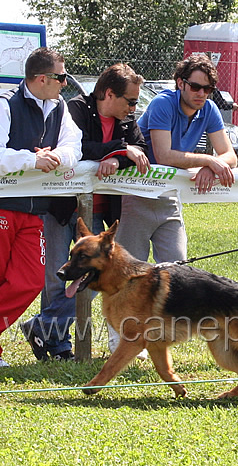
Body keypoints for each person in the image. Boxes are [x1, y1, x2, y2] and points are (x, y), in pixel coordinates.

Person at [20, 63, 150, 362]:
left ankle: (41, 328)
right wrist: (119, 149)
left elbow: (140, 149)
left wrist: (118, 159)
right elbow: (77, 149)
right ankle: (58, 344)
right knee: (57, 277)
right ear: (108, 93)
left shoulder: (127, 120)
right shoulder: (76, 108)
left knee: (90, 277)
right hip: (63, 206)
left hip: (99, 211)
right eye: (130, 101)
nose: (133, 108)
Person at [113, 54, 237, 347]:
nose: (202, 94)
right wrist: (209, 160)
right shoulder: (162, 104)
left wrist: (212, 165)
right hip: (138, 195)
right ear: (180, 83)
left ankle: (159, 337)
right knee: (129, 277)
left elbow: (229, 155)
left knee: (177, 270)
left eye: (208, 89)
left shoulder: (208, 109)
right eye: (196, 87)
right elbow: (164, 154)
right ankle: (119, 340)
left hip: (169, 198)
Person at [0, 47, 82, 366]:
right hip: (4, 205)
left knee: (31, 281)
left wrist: (58, 157)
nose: (65, 83)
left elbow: (73, 146)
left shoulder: (59, 106)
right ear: (42, 78)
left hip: (36, 212)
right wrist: (32, 159)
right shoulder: (6, 104)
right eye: (61, 77)